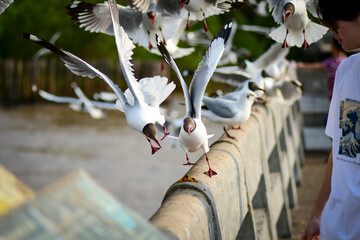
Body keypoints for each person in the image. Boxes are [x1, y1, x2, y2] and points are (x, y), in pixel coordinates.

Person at [301, 1, 360, 240]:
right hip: (334, 227)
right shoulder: (347, 71)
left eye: (336, 25)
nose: (333, 33)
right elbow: (343, 150)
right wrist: (317, 213)